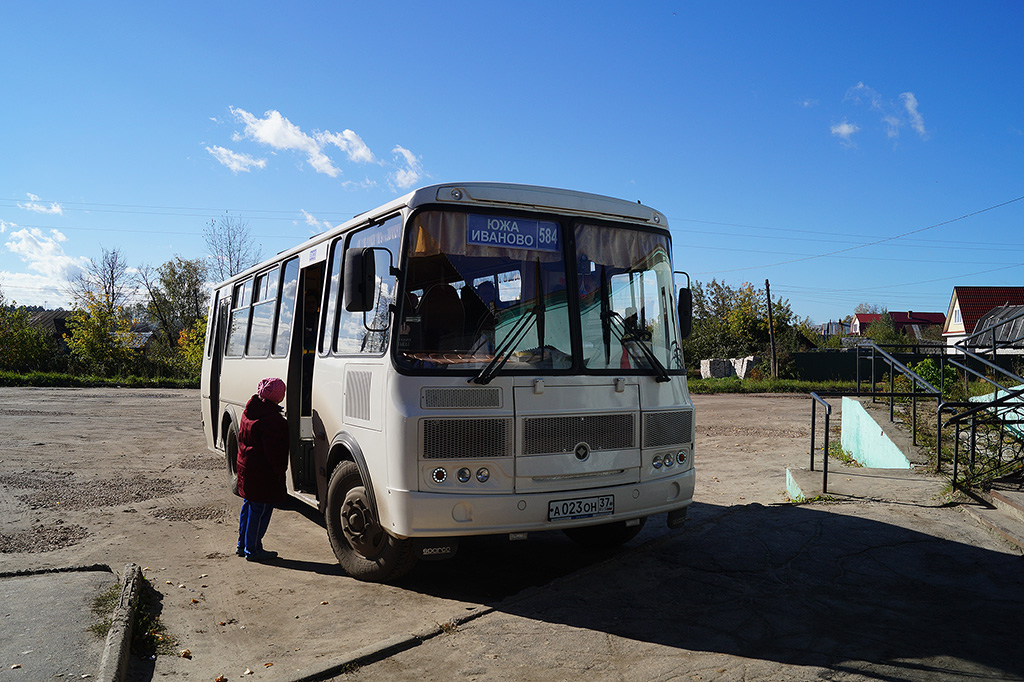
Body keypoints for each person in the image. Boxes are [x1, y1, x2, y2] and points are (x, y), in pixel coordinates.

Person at [235, 377, 289, 562]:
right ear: (279, 397)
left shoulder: (250, 411)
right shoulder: (272, 420)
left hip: (247, 468)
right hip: (262, 473)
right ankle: (253, 549)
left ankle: (242, 545)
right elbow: (275, 452)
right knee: (261, 509)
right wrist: (280, 470)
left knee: (249, 505)